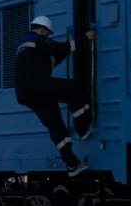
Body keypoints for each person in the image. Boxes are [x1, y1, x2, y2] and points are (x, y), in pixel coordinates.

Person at [14, 15, 96, 178]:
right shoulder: (38, 39)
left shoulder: (24, 44)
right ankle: (82, 127)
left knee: (55, 125)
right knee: (72, 88)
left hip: (26, 94)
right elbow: (61, 48)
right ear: (43, 29)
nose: (48, 35)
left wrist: (62, 53)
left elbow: (53, 57)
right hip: (37, 86)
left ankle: (72, 164)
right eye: (48, 32)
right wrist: (85, 38)